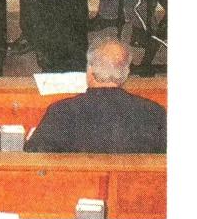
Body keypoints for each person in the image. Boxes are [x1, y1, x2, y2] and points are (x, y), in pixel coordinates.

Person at [26, 37, 166, 153]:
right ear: (126, 73)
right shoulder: (154, 112)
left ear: (89, 71)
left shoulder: (62, 111)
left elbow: (35, 155)